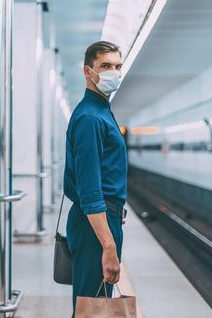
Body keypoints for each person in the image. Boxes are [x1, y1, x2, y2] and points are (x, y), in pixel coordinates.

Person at [64, 41, 127, 313]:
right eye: (105, 66)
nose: (113, 72)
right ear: (88, 72)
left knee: (96, 305)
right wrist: (109, 246)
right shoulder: (91, 118)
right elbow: (90, 190)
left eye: (117, 66)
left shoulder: (102, 111)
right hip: (95, 226)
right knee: (92, 306)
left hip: (103, 220)